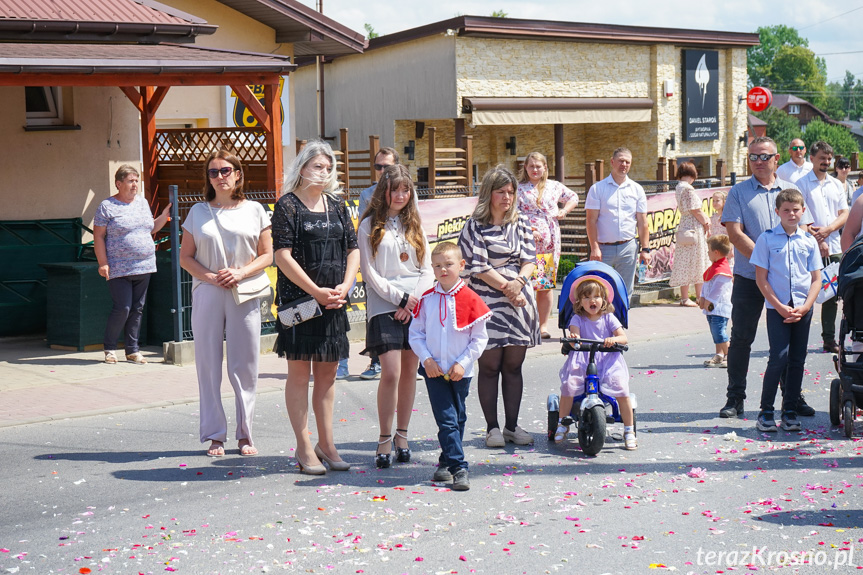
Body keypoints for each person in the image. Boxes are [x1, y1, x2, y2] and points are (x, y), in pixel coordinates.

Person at [271, 140, 360, 474]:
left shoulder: (337, 205)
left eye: (328, 167)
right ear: (302, 168)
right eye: (317, 166)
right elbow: (282, 255)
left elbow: (352, 249)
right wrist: (315, 292)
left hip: (334, 301)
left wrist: (345, 286)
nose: (324, 172)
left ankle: (327, 443)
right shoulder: (288, 206)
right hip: (300, 304)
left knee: (328, 374)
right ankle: (304, 446)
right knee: (299, 372)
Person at [179, 149, 273, 457]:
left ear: (238, 174)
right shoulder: (197, 212)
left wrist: (241, 272)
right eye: (213, 172)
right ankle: (215, 435)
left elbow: (267, 255)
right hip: (208, 291)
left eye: (225, 170)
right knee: (208, 364)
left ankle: (245, 433)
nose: (220, 176)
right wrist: (210, 276)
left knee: (245, 364)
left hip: (243, 290)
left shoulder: (256, 210)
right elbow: (185, 257)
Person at [719, 136, 815, 419]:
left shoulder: (791, 189)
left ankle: (792, 398)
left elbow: (804, 229)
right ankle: (735, 398)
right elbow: (735, 234)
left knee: (787, 343)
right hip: (750, 277)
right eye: (753, 157)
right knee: (741, 338)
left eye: (764, 156)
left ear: (776, 159)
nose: (758, 162)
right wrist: (766, 263)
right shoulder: (739, 192)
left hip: (788, 282)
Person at [458, 165, 540, 447]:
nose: (507, 197)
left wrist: (518, 284)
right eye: (501, 192)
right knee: (490, 366)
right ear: (488, 194)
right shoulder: (474, 226)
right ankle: (492, 428)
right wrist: (508, 289)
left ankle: (512, 426)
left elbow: (530, 259)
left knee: (514, 367)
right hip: (487, 303)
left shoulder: (521, 222)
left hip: (519, 302)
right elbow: (478, 267)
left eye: (511, 192)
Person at [358, 164, 434, 468]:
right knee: (390, 372)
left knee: (409, 372)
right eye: (395, 189)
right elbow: (369, 273)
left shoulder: (415, 223)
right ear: (384, 191)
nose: (401, 195)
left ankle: (402, 435)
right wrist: (399, 299)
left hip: (415, 304)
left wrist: (412, 301)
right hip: (384, 304)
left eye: (406, 190)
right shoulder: (368, 225)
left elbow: (426, 268)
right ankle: (384, 437)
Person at [409, 242, 491, 491]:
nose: (443, 270)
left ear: (461, 265)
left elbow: (480, 339)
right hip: (434, 371)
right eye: (437, 266)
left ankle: (444, 462)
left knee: (458, 417)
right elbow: (416, 334)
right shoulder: (427, 300)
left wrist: (463, 364)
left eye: (449, 264)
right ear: (432, 268)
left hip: (460, 371)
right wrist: (427, 360)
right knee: (447, 420)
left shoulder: (471, 299)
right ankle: (459, 468)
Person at [750, 189, 821, 432]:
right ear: (778, 212)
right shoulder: (767, 239)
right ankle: (765, 411)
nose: (791, 214)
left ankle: (789, 411)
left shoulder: (809, 241)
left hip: (803, 308)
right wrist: (780, 307)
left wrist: (806, 306)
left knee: (797, 360)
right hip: (777, 308)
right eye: (786, 210)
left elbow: (816, 279)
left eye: (796, 209)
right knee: (778, 358)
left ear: (803, 211)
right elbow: (762, 278)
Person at [94, 165, 171, 365]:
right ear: (119, 184)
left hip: (144, 265)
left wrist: (164, 216)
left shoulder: (143, 203)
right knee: (123, 307)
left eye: (137, 181)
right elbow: (99, 236)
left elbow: (151, 227)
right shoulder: (107, 206)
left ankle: (132, 350)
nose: (134, 185)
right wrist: (103, 263)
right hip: (119, 267)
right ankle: (110, 349)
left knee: (137, 308)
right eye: (130, 181)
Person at [555, 276, 635, 449]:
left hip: (608, 359)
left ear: (604, 299)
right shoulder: (577, 319)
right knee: (569, 385)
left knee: (621, 387)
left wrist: (613, 339)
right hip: (583, 358)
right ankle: (562, 422)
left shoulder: (609, 318)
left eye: (596, 297)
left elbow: (623, 338)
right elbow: (573, 336)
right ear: (580, 302)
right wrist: (574, 338)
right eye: (586, 297)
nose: (592, 300)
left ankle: (629, 430)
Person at [516, 151, 579, 337]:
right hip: (526, 241)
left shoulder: (554, 186)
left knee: (544, 284)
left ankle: (543, 326)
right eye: (531, 166)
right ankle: (526, 324)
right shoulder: (519, 188)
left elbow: (573, 197)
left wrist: (564, 211)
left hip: (549, 242)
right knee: (524, 283)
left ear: (545, 168)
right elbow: (512, 212)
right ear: (525, 168)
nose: (535, 169)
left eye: (538, 166)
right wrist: (529, 230)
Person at [351, 147, 400, 380]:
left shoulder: (408, 193)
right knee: (375, 313)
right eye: (378, 167)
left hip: (401, 263)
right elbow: (365, 227)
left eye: (387, 167)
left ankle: (413, 360)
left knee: (407, 308)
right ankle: (375, 362)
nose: (382, 171)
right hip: (376, 261)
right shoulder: (367, 194)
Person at [796, 141, 848, 353]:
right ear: (812, 158)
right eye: (822, 158)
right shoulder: (802, 184)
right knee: (804, 293)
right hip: (809, 248)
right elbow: (800, 217)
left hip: (834, 246)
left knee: (831, 295)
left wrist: (828, 231)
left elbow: (844, 214)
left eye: (828, 159)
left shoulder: (836, 184)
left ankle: (828, 339)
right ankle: (798, 339)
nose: (826, 162)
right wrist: (820, 238)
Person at [585, 147, 651, 300]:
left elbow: (642, 222)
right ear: (612, 162)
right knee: (598, 290)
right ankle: (600, 323)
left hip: (628, 247)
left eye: (627, 162)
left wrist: (645, 249)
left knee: (624, 292)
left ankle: (620, 323)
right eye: (621, 161)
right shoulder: (597, 189)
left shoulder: (637, 189)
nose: (624, 165)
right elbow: (591, 220)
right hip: (603, 248)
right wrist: (594, 248)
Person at [668, 162, 709, 307]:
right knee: (698, 260)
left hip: (684, 226)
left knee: (685, 261)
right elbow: (696, 210)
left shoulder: (679, 187)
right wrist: (706, 223)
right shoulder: (688, 189)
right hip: (693, 227)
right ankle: (697, 297)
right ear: (692, 174)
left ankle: (688, 297)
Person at [698, 235, 733, 368]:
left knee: (719, 332)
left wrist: (708, 301)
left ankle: (731, 356)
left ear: (716, 252)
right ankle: (719, 354)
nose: (707, 253)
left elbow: (718, 289)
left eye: (709, 250)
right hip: (712, 308)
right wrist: (702, 296)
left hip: (719, 307)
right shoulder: (715, 267)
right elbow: (707, 284)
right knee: (715, 331)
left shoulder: (723, 270)